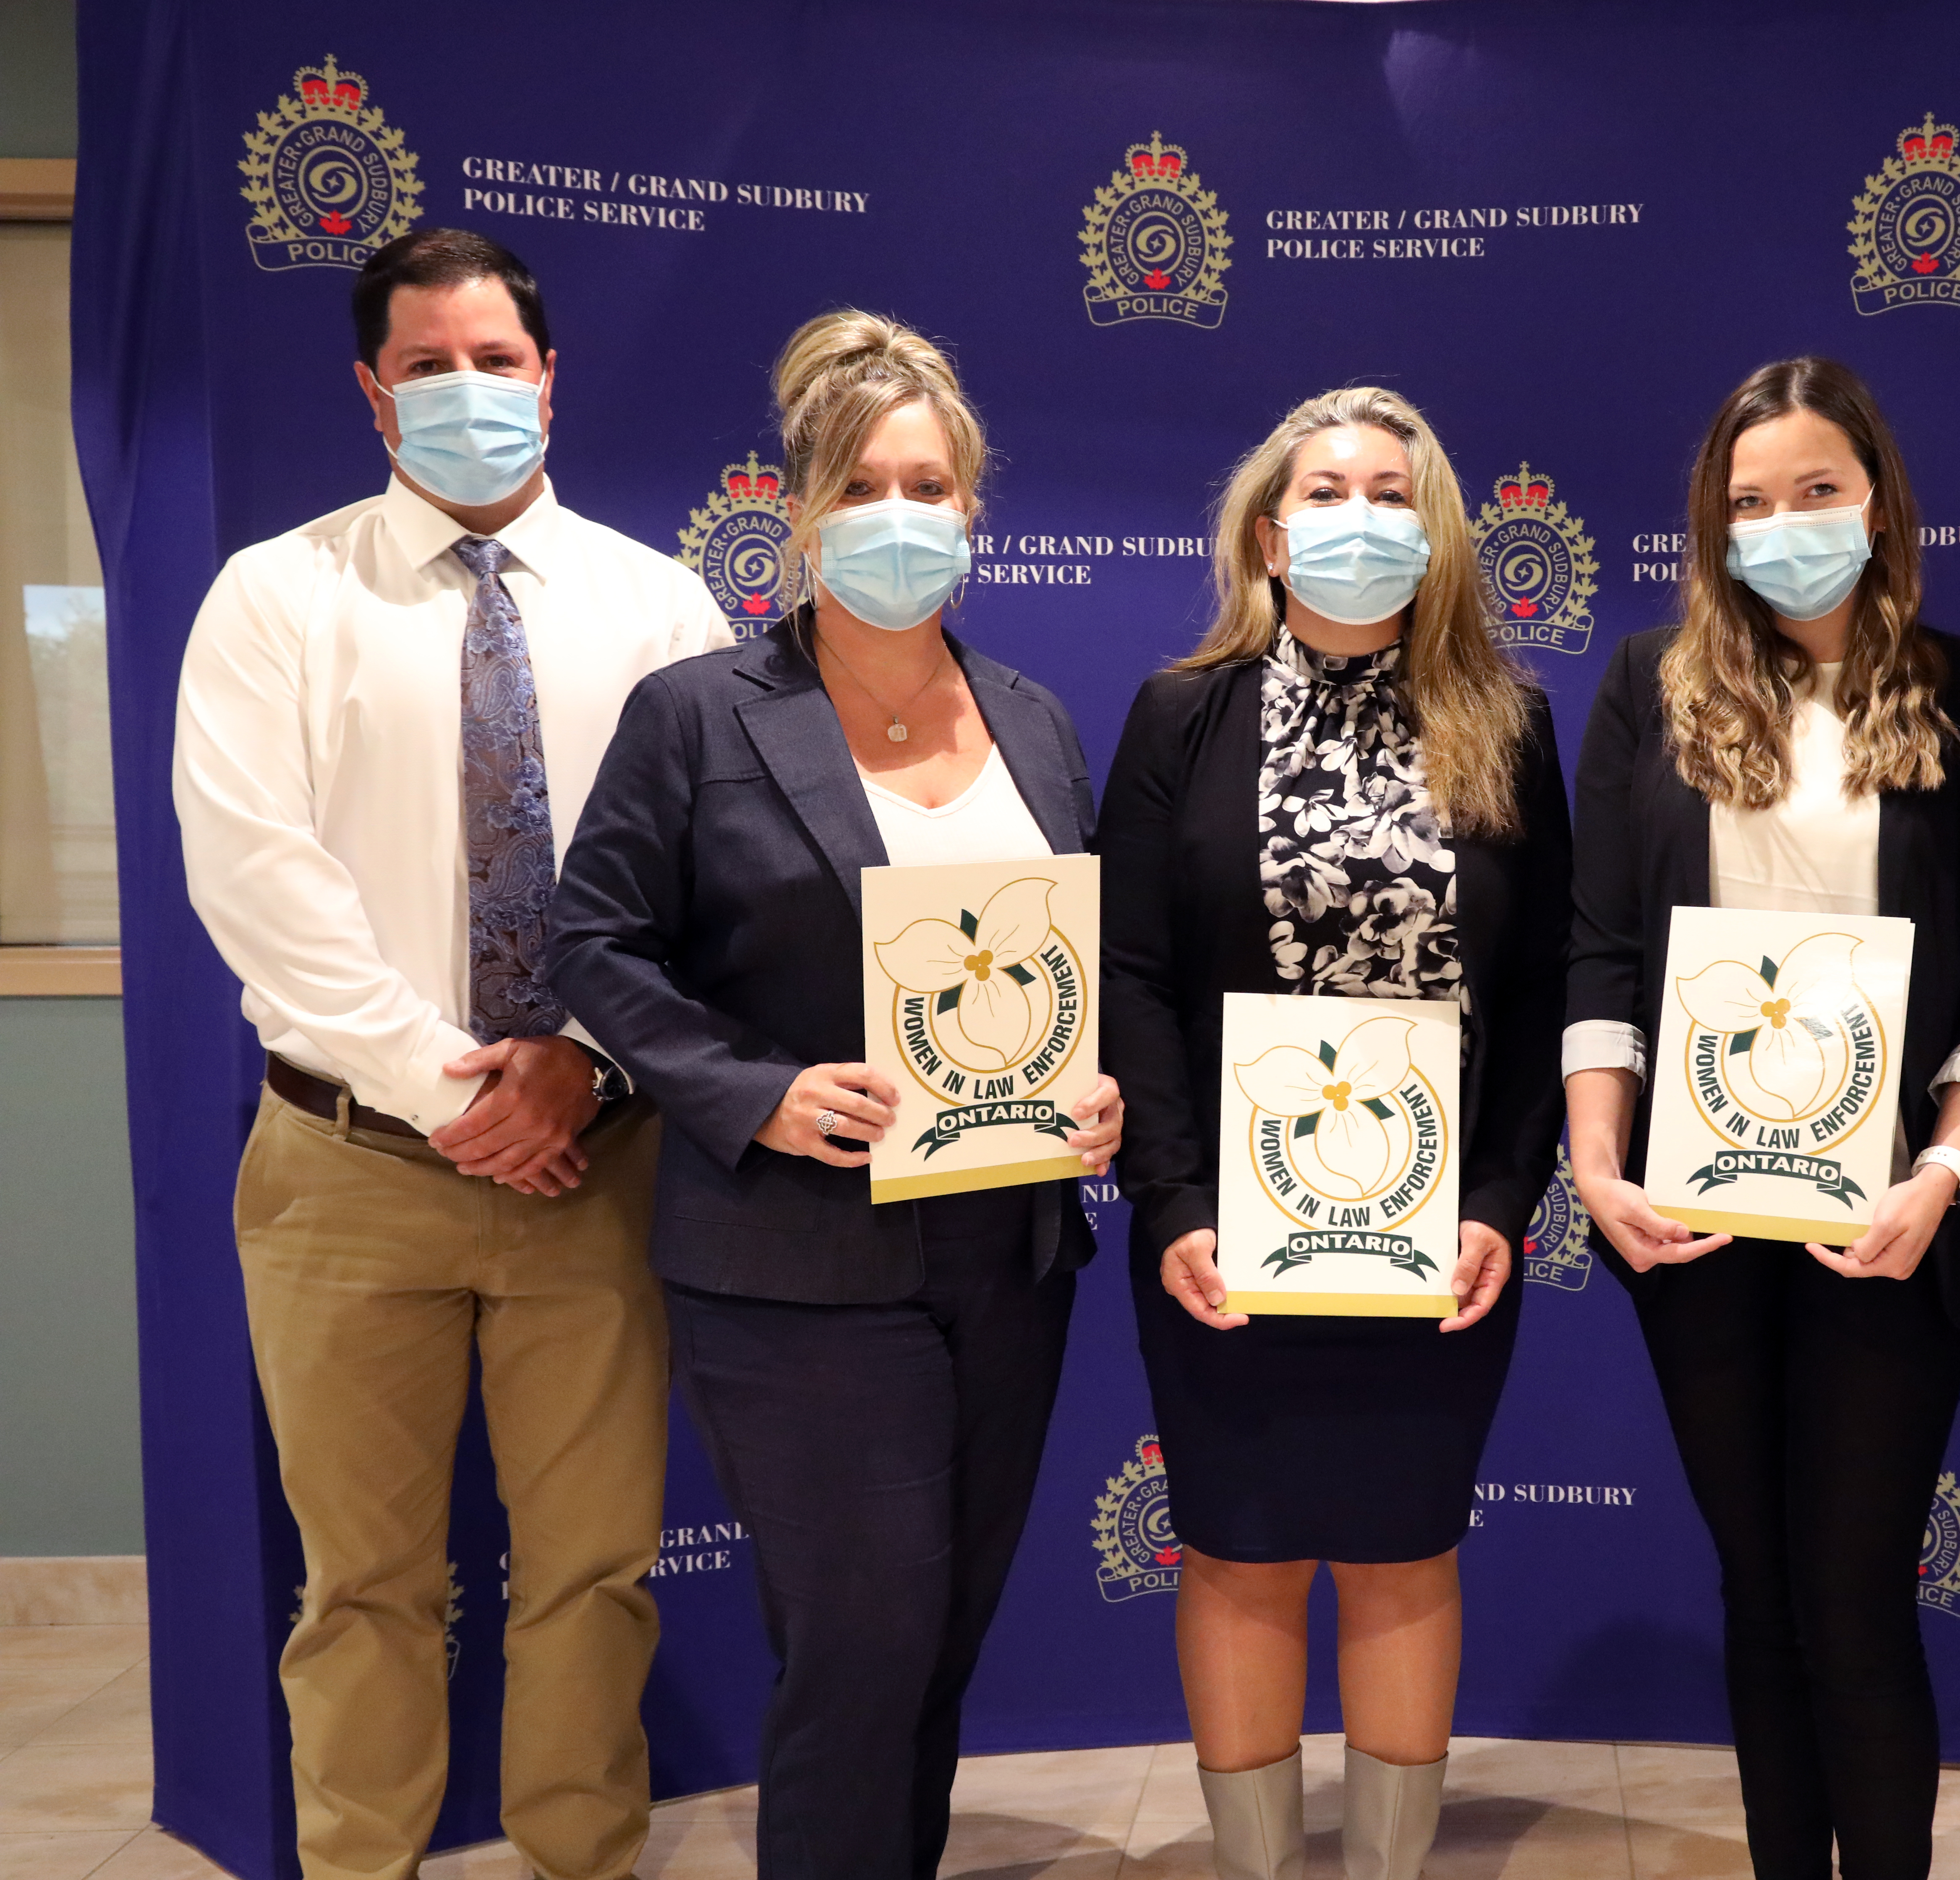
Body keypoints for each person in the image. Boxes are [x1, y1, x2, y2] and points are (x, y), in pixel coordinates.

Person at [171, 228, 727, 1880]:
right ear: (372, 391)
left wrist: (583, 1063)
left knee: (595, 1570)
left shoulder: (662, 604)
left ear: (549, 379)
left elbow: (715, 878)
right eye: (429, 367)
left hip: (602, 1166)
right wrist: (456, 1083)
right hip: (345, 1171)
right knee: (362, 1584)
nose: (468, 392)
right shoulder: (279, 597)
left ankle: (580, 1856)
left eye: (497, 362)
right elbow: (258, 877)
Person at [544, 311, 1123, 1880]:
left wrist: (1092, 1095)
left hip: (1005, 1259)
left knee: (938, 1648)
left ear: (973, 511)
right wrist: (760, 1091)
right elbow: (591, 944)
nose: (900, 513)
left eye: (930, 483)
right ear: (800, 512)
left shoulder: (1038, 723)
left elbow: (1062, 971)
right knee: (859, 1651)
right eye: (864, 482)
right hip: (796, 1262)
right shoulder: (700, 715)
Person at [1563, 357, 1960, 1877]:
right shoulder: (1649, 686)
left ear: (1880, 502)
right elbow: (1597, 953)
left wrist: (1946, 1174)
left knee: (1851, 1592)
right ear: (1716, 527)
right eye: (1751, 502)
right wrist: (1594, 1159)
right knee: (1759, 1587)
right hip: (1698, 1219)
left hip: (1896, 1225)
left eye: (1817, 492)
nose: (1785, 525)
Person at [1100, 385, 1571, 1880]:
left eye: (1390, 490)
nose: (1357, 515)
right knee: (1238, 1548)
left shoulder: (1510, 720)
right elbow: (1131, 970)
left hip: (1438, 1236)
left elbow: (1553, 981)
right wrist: (1171, 1201)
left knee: (1403, 1544)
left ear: (1431, 535)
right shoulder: (1182, 714)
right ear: (1269, 527)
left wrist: (1503, 1195)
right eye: (1326, 488)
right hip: (1228, 1230)